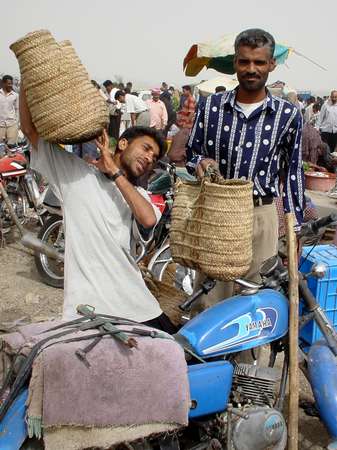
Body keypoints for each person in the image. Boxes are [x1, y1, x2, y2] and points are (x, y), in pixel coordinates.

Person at [19, 87, 176, 333]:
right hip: (87, 310)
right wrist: (28, 77)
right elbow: (30, 130)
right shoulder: (77, 174)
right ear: (122, 143)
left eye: (154, 157)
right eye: (146, 148)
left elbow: (146, 219)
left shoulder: (143, 196)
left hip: (138, 308)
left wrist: (114, 171)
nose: (150, 158)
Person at [187, 28, 304, 309]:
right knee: (210, 299)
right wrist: (200, 162)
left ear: (271, 65)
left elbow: (291, 174)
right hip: (217, 214)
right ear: (235, 62)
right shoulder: (211, 106)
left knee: (254, 306)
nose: (251, 69)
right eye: (244, 62)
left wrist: (295, 226)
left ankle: (245, 356)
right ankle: (209, 355)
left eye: (259, 62)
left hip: (262, 216)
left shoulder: (288, 115)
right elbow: (192, 152)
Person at [0, 75, 19, 145]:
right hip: (0, 125)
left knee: (12, 147)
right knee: (1, 149)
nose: (10, 85)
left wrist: (16, 122)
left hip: (12, 125)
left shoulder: (15, 95)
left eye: (11, 83)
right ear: (3, 83)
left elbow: (17, 109)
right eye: (9, 84)